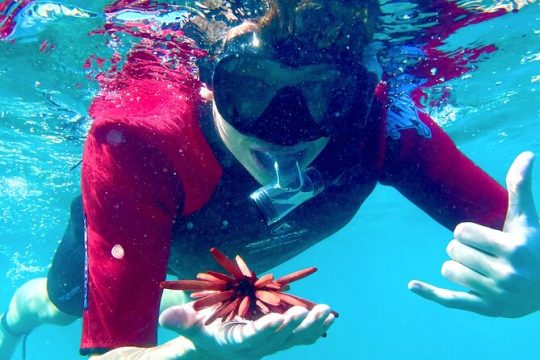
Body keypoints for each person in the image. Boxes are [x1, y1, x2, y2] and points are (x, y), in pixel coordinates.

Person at [1, 0, 540, 358]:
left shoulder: (383, 127)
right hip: (142, 238)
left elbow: (519, 241)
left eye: (323, 92)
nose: (285, 130)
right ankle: (12, 320)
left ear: (356, 93)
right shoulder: (137, 143)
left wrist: (535, 288)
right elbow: (112, 355)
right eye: (251, 89)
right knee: (62, 304)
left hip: (223, 261)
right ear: (209, 83)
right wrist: (189, 353)